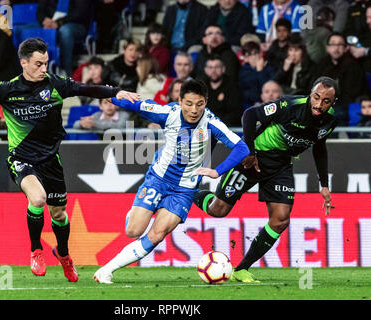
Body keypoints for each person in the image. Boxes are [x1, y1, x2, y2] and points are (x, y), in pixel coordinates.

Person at [0, 37, 139, 282]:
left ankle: (63, 254)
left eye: (46, 63)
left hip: (50, 160)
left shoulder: (55, 85)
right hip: (21, 158)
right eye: (38, 64)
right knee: (37, 198)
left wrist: (116, 92)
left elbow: (86, 89)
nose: (43, 69)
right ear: (24, 63)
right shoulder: (6, 89)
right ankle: (35, 250)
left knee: (59, 214)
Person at [93, 78, 250, 284]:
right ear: (179, 100)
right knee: (133, 231)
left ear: (206, 102)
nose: (194, 110)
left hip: (184, 190)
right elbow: (134, 103)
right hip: (158, 179)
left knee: (157, 234)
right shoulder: (168, 113)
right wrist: (108, 92)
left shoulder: (211, 122)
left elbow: (242, 148)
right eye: (189, 103)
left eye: (200, 104)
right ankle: (135, 213)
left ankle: (107, 270)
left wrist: (217, 171)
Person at [193, 76, 338, 283]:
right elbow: (250, 114)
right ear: (310, 94)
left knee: (280, 219)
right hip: (253, 159)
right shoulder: (290, 105)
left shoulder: (331, 120)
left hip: (280, 165)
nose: (319, 104)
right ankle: (189, 193)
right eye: (316, 97)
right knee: (218, 210)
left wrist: (324, 184)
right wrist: (250, 153)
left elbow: (320, 147)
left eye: (326, 101)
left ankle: (241, 269)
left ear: (334, 102)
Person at [316, 32, 366, 126]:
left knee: (335, 114)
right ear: (327, 48)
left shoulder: (353, 66)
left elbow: (351, 94)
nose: (336, 48)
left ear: (346, 48)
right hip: (323, 102)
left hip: (344, 105)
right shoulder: (322, 64)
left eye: (340, 44)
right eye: (333, 44)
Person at [36, 0, 97, 75]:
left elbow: (80, 13)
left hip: (76, 25)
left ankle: (65, 72)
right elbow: (40, 10)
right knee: (25, 31)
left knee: (65, 31)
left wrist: (59, 23)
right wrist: (44, 20)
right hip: (52, 24)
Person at [203, 55, 243, 126]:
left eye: (217, 67)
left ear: (223, 69)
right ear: (205, 70)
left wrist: (217, 124)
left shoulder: (233, 87)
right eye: (210, 67)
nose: (213, 70)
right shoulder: (201, 87)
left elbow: (236, 113)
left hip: (227, 128)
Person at [239, 40, 276, 107]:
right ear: (245, 58)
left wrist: (260, 71)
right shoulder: (243, 71)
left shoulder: (269, 68)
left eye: (256, 53)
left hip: (269, 103)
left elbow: (268, 87)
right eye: (250, 55)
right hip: (249, 104)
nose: (255, 56)